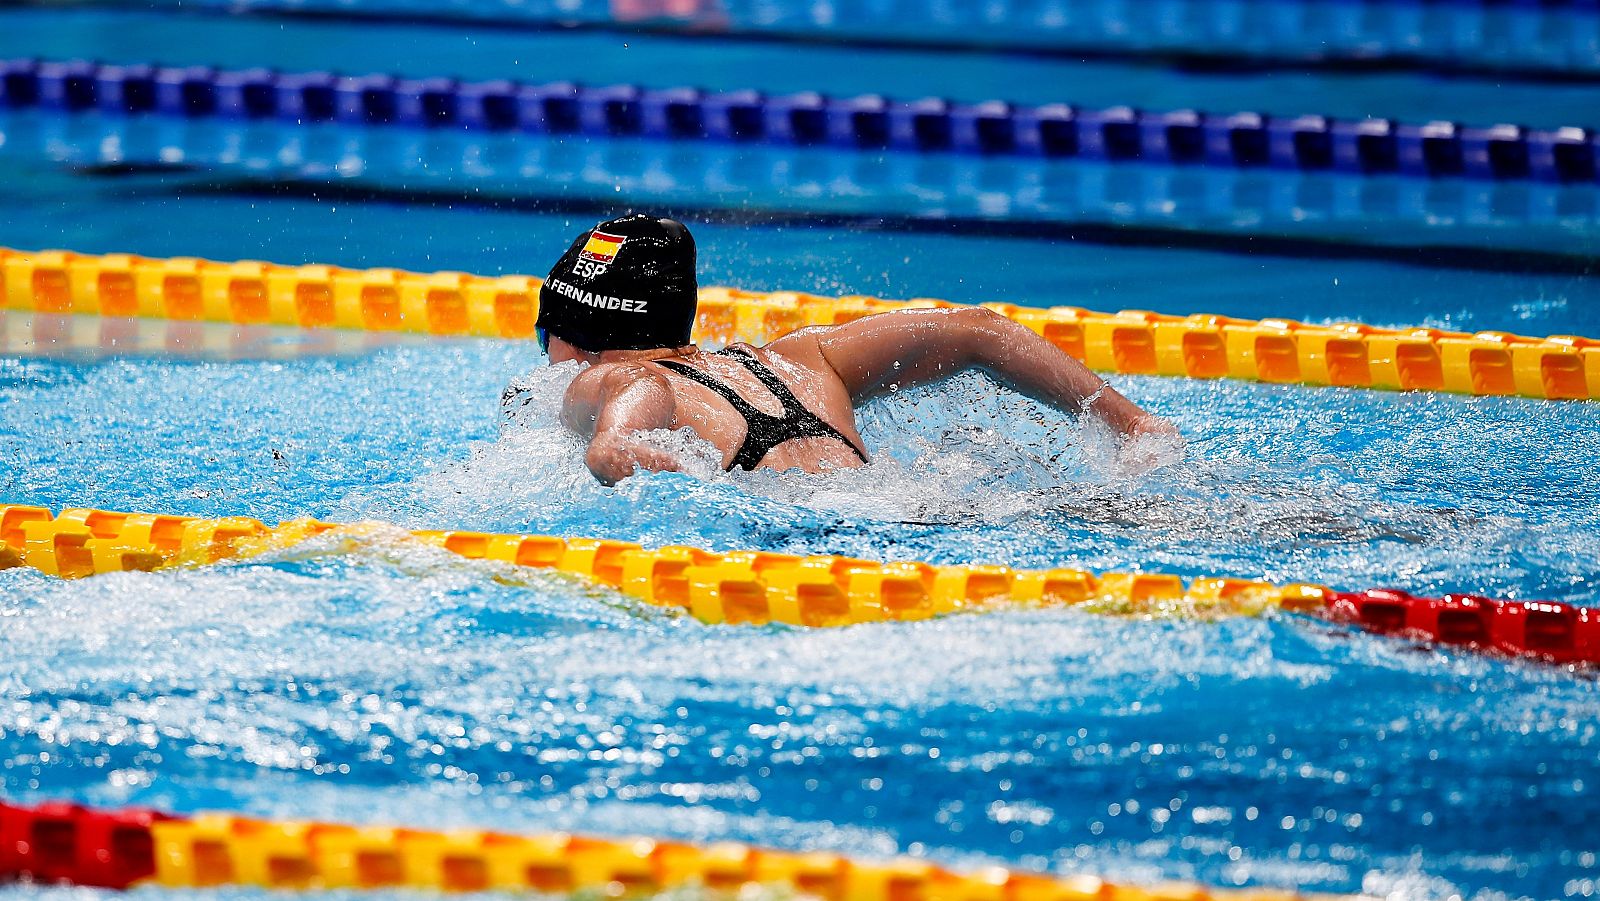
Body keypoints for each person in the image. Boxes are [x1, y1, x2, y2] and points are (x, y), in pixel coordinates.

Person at [525, 213, 1180, 486]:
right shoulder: (800, 359)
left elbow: (614, 446)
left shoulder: (611, 379)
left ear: (568, 335)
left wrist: (677, 471)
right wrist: (1132, 425)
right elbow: (977, 329)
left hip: (808, 545)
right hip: (919, 515)